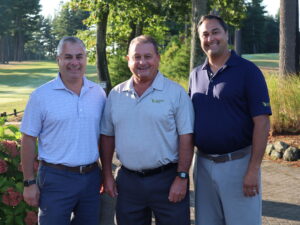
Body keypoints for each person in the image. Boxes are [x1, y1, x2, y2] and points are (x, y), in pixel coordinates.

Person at [100, 35, 194, 225]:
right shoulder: (116, 95)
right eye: (136, 57)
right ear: (128, 60)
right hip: (128, 182)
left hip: (167, 180)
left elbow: (187, 137)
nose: (142, 62)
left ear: (158, 58)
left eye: (148, 56)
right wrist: (107, 175)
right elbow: (107, 136)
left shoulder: (175, 93)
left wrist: (182, 177)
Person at [189, 15, 272, 225]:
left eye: (215, 32)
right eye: (205, 34)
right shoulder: (195, 75)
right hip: (203, 166)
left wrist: (253, 170)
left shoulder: (248, 71)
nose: (210, 38)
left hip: (238, 165)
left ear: (226, 34)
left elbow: (262, 123)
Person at [20, 36, 106, 225]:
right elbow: (27, 139)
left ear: (86, 59)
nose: (74, 62)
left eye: (79, 56)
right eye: (68, 57)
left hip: (91, 178)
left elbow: (104, 136)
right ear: (58, 59)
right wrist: (29, 182)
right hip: (56, 178)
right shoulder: (41, 96)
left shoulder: (98, 94)